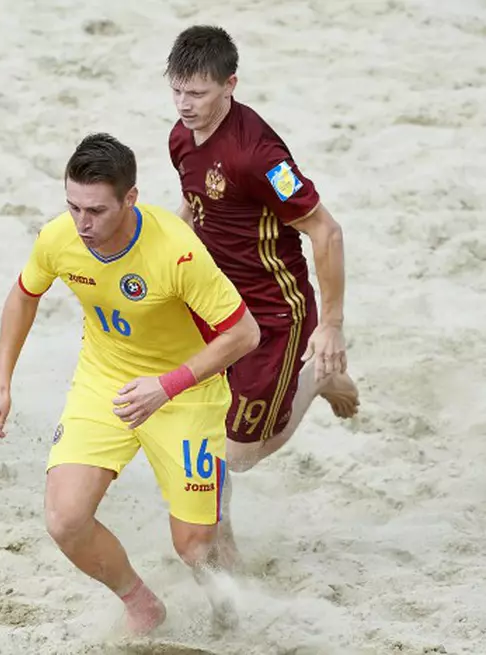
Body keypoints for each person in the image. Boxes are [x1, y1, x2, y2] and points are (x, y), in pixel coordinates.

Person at [0, 133, 260, 635]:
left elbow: (244, 333)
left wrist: (166, 386)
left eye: (96, 211)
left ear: (131, 198)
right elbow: (23, 295)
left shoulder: (176, 250)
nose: (82, 224)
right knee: (65, 520)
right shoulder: (59, 237)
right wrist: (1, 382)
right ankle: (142, 604)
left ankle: (227, 584)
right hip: (104, 381)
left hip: (185, 393)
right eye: (73, 207)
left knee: (195, 547)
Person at [165, 25, 360, 561]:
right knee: (210, 439)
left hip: (276, 315)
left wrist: (332, 323)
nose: (185, 104)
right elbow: (193, 205)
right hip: (216, 304)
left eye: (198, 93)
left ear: (231, 85)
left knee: (245, 453)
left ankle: (318, 381)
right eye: (177, 89)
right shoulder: (182, 136)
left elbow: (327, 232)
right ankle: (221, 553)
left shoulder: (260, 156)